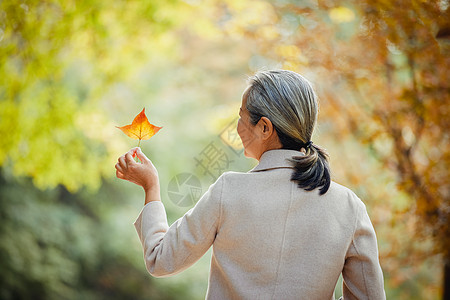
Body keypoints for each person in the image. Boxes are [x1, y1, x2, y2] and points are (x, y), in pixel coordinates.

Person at [115, 70, 386, 299]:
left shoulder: (229, 191)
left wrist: (151, 187)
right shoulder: (349, 207)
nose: (237, 126)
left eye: (242, 116)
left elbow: (161, 259)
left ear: (265, 128)